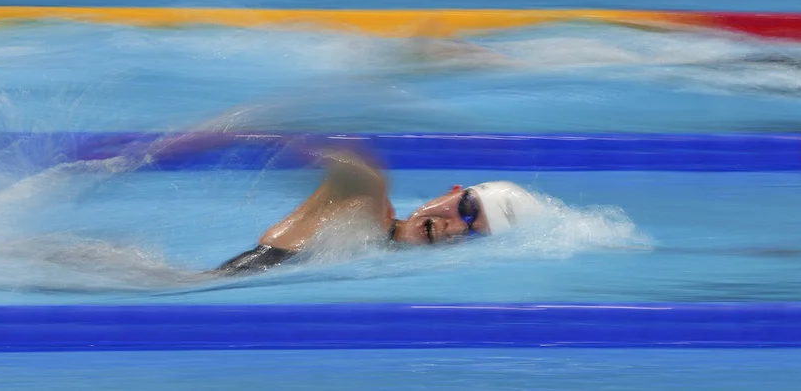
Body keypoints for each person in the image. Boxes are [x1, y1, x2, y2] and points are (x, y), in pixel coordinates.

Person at [127, 132, 545, 276]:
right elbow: (274, 138)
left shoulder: (390, 262)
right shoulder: (364, 195)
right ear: (453, 191)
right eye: (467, 209)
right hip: (175, 285)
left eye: (474, 234)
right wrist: (155, 151)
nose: (456, 227)